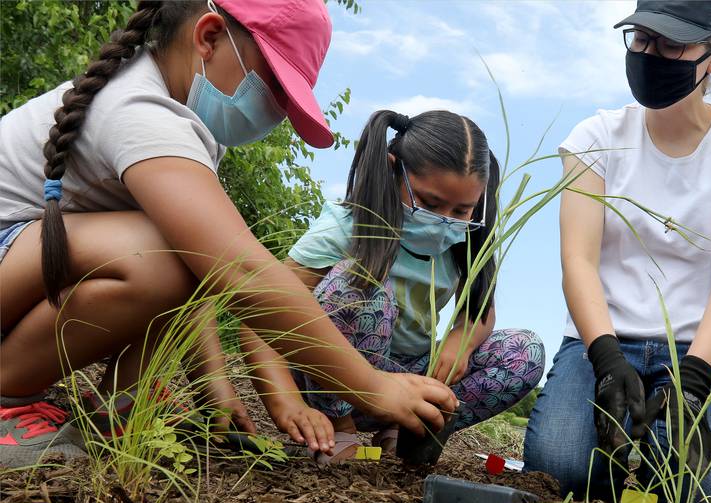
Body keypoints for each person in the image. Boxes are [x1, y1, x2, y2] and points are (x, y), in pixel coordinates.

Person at [0, 0, 457, 468]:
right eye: (275, 87)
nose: (276, 112)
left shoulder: (186, 124)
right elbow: (239, 272)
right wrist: (371, 385)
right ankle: (7, 395)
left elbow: (198, 278)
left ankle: (119, 403)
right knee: (164, 253)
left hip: (23, 265)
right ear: (209, 36)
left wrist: (214, 389)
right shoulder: (141, 112)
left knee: (180, 250)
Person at [523, 0, 711, 503]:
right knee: (559, 468)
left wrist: (692, 381)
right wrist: (604, 359)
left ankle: (659, 449)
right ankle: (623, 456)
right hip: (603, 340)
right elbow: (577, 258)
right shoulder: (595, 137)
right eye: (642, 39)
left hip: (696, 349)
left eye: (672, 45)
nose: (651, 55)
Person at [286, 109, 546, 463]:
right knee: (358, 280)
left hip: (410, 372)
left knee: (524, 351)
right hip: (336, 376)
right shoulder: (349, 226)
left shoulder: (462, 243)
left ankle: (413, 426)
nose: (444, 220)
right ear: (393, 170)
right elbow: (273, 303)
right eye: (430, 203)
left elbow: (481, 312)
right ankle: (340, 424)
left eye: (461, 210)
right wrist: (282, 399)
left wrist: (461, 344)